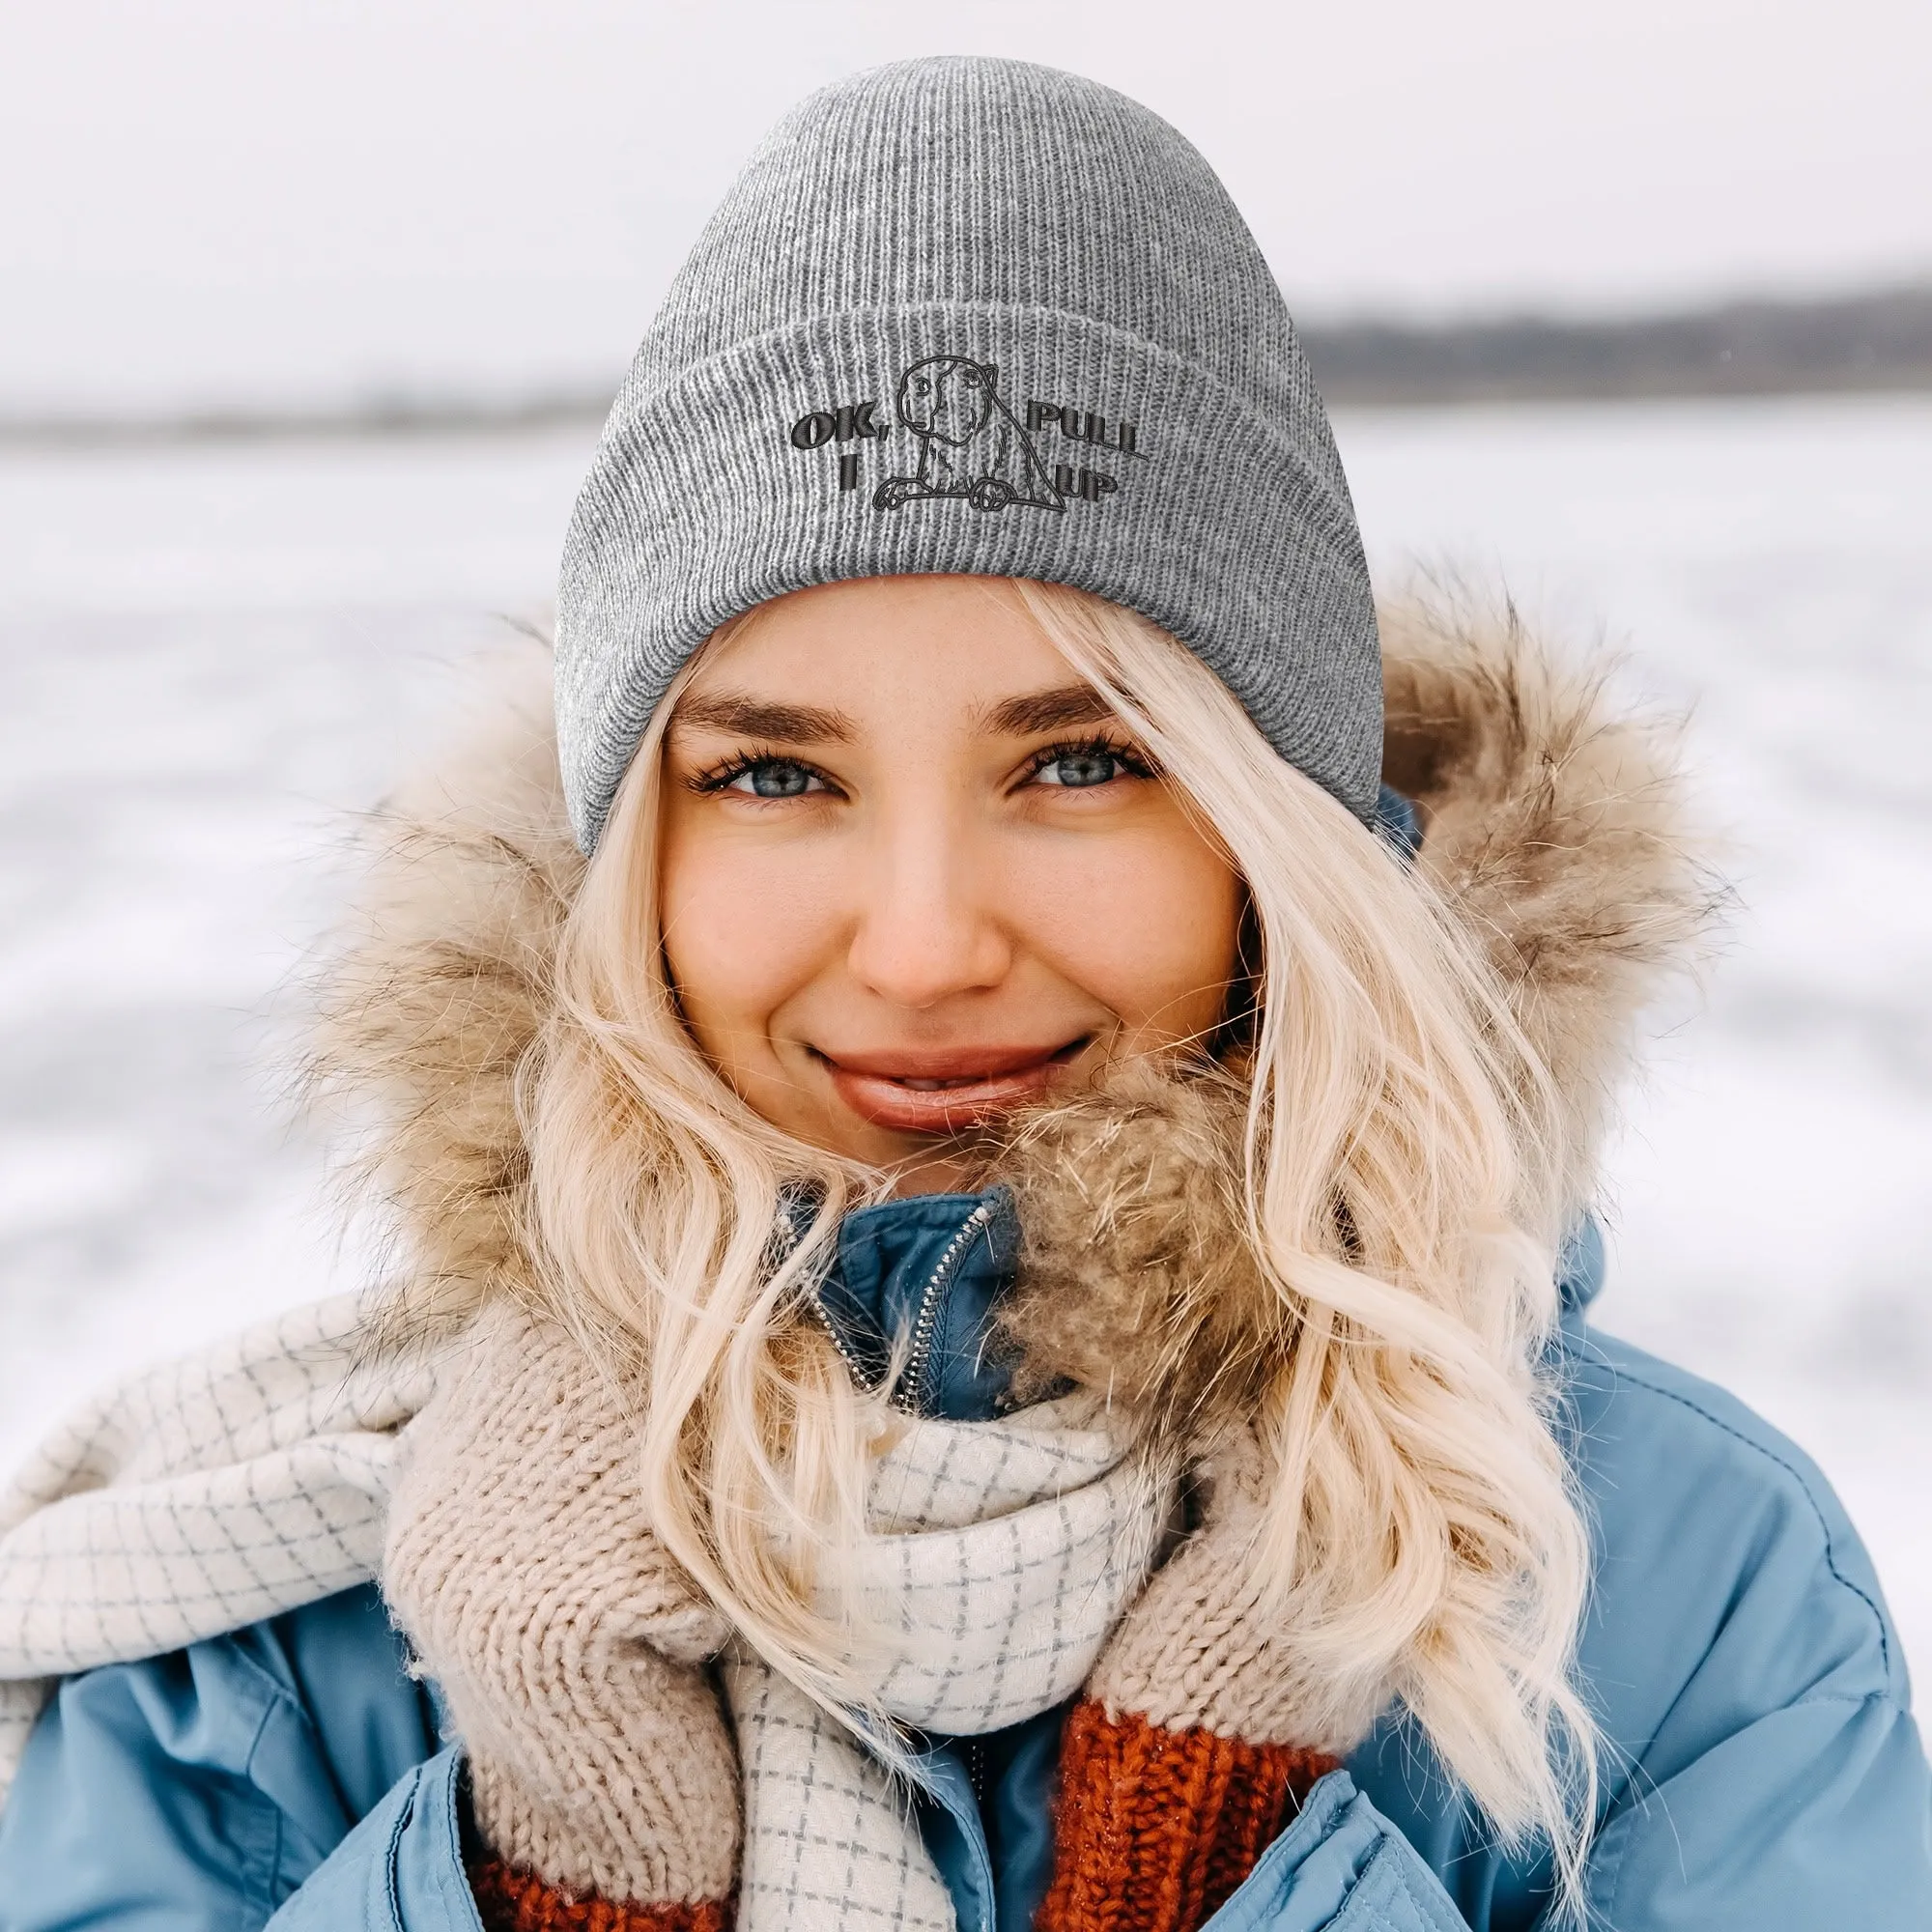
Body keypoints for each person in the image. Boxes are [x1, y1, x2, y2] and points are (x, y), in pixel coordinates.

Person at [0, 55, 1925, 1932]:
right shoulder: (272, 1632)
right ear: (621, 865)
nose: (922, 947)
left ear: (1277, 839)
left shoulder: (1671, 1605)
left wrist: (1206, 1858)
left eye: (1081, 762)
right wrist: (555, 1879)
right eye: (770, 773)